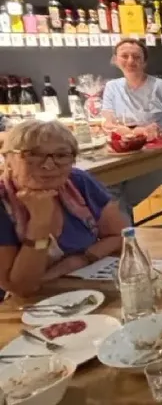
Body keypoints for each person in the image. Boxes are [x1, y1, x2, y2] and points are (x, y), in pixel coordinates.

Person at [0, 120, 127, 296]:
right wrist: (40, 222)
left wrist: (80, 260)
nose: (49, 165)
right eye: (33, 155)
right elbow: (21, 288)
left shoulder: (78, 182)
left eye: (61, 156)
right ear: (7, 160)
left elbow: (120, 236)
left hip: (78, 290)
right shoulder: (2, 203)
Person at [101, 39, 162, 221]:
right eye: (125, 56)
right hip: (131, 152)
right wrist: (131, 131)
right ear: (115, 59)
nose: (130, 61)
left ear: (144, 62)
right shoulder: (112, 88)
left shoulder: (161, 88)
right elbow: (108, 122)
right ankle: (123, 237)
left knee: (121, 196)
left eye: (136, 57)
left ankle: (124, 238)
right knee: (108, 187)